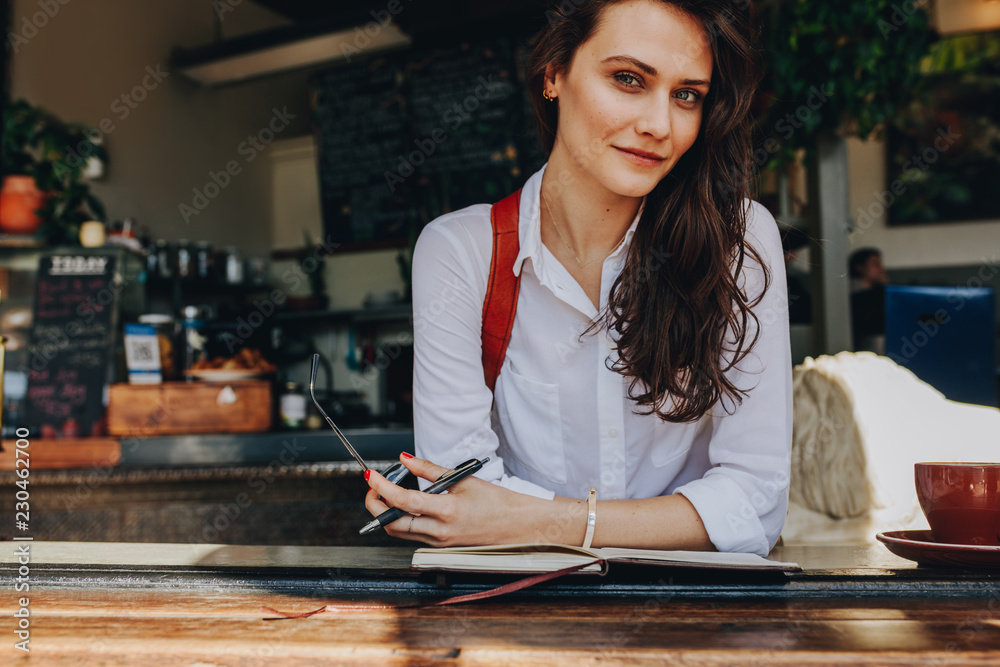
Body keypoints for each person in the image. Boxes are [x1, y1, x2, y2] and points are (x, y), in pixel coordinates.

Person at [365, 0, 792, 556]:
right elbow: (459, 494)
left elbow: (756, 502)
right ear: (553, 74)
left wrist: (543, 523)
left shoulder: (738, 240)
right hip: (520, 616)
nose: (659, 125)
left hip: (694, 610)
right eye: (628, 79)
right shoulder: (461, 252)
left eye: (687, 95)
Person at [849, 247, 889, 352]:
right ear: (859, 267)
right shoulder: (850, 295)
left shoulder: (879, 291)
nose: (880, 268)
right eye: (875, 264)